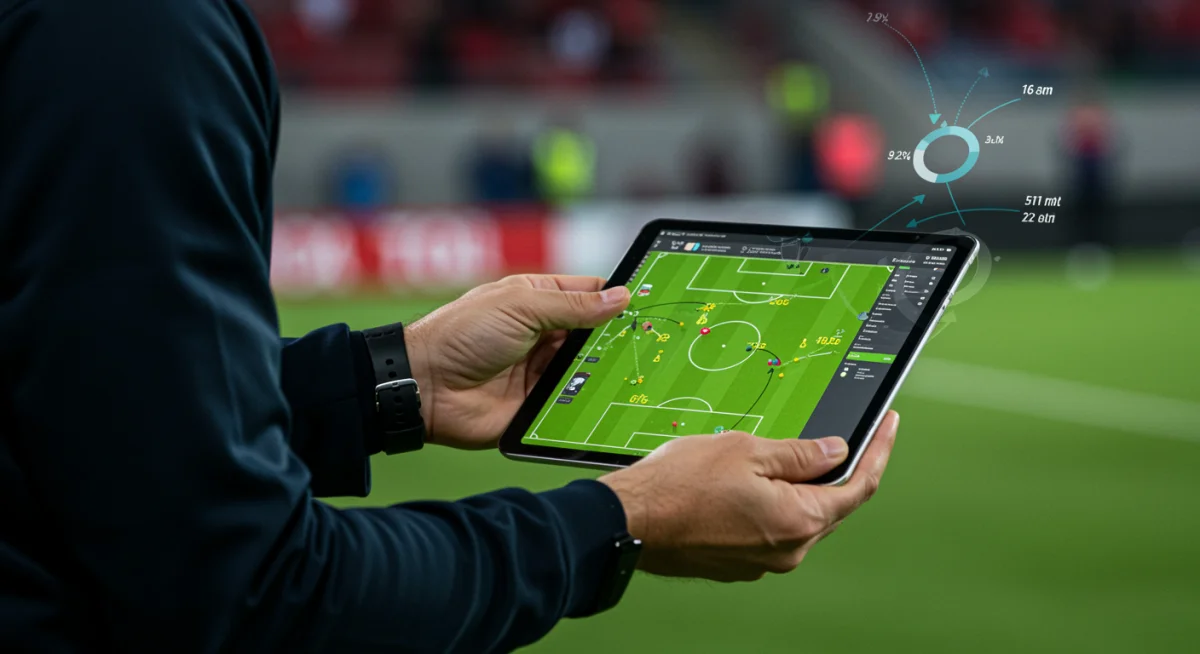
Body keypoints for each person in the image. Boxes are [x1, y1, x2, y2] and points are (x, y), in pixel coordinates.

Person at [0, 2, 898, 652]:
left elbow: (90, 421)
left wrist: (395, 379)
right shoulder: (128, 34)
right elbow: (243, 593)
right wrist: (623, 521)